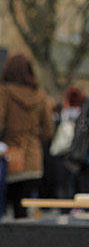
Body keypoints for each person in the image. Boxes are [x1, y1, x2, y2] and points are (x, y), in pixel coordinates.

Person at [0, 53, 54, 218]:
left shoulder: (4, 93)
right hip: (33, 161)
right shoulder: (40, 95)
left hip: (9, 159)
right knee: (23, 213)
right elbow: (48, 130)